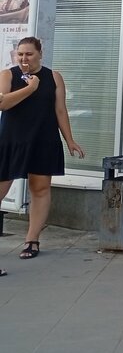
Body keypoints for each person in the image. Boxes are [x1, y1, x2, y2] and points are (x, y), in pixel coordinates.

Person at [0, 36, 85, 272]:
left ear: (40, 54)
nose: (24, 58)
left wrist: (69, 140)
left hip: (43, 139)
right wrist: (30, 88)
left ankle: (32, 239)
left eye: (29, 54)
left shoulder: (53, 77)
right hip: (12, 141)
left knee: (40, 188)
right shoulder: (7, 75)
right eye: (20, 54)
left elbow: (60, 110)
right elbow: (3, 103)